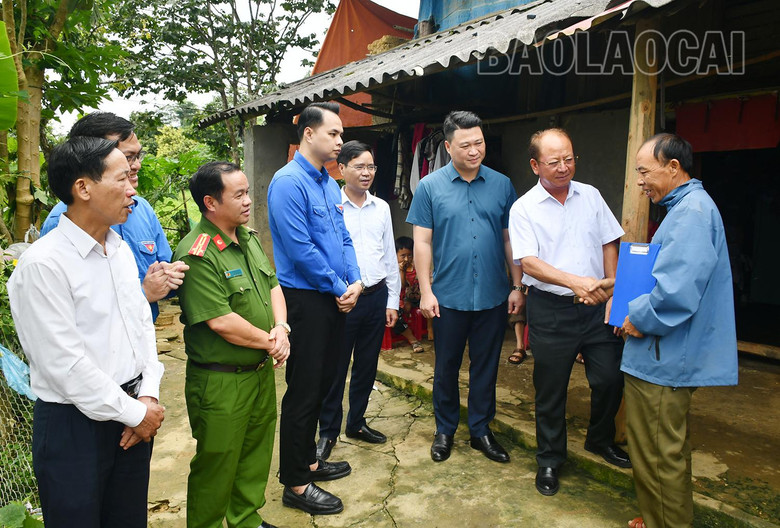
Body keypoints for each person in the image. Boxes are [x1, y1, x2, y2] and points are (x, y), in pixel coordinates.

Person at [8, 136, 165, 528]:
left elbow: (141, 325)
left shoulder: (120, 249)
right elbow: (65, 364)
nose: (133, 190)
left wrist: (148, 394)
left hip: (132, 414)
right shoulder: (44, 265)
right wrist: (135, 413)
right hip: (74, 427)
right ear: (83, 188)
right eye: (123, 179)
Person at [619, 133, 738, 528]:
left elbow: (674, 292)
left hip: (664, 357)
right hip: (665, 355)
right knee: (664, 448)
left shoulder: (690, 214)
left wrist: (635, 316)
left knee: (657, 451)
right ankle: (658, 517)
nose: (640, 181)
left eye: (643, 172)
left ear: (673, 168)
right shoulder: (687, 208)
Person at [508, 128, 628, 497]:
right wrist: (576, 283)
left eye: (569, 159)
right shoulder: (524, 208)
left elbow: (610, 239)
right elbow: (529, 263)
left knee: (609, 378)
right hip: (552, 309)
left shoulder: (590, 195)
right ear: (535, 165)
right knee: (551, 388)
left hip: (596, 307)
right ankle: (549, 458)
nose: (564, 167)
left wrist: (610, 288)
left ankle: (600, 439)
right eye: (554, 161)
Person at [173, 162, 289, 528]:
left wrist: (282, 327)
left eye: (246, 192)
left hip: (257, 373)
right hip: (221, 381)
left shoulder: (249, 238)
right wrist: (272, 342)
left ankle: (245, 519)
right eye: (238, 194)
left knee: (255, 454)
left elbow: (273, 285)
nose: (247, 200)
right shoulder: (197, 252)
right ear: (210, 202)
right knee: (217, 463)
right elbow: (220, 320)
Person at [406, 110, 523, 464]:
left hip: (492, 294)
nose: (474, 151)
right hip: (448, 296)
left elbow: (509, 239)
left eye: (479, 143)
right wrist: (426, 290)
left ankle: (481, 431)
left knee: (486, 366)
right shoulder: (429, 187)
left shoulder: (502, 184)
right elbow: (422, 243)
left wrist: (517, 285)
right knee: (446, 367)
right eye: (465, 145)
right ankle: (445, 430)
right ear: (447, 146)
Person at [268, 102, 361, 515]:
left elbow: (344, 237)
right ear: (308, 134)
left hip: (335, 297)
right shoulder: (288, 183)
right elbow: (299, 250)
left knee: (324, 383)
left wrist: (355, 282)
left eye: (341, 135)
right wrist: (340, 286)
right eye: (334, 134)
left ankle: (308, 461)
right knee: (304, 391)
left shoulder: (327, 181)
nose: (340, 141)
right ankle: (296, 484)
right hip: (306, 300)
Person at [40, 112, 188, 321]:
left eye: (138, 156)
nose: (135, 165)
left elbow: (163, 267)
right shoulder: (61, 225)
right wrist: (142, 294)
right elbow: (75, 315)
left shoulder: (142, 209)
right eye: (128, 157)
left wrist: (168, 275)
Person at [316, 141, 401, 461]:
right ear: (341, 169)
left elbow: (389, 255)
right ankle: (328, 432)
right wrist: (338, 290)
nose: (366, 173)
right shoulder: (330, 205)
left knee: (367, 365)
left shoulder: (382, 207)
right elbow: (323, 254)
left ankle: (357, 422)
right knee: (335, 369)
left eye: (371, 167)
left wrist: (392, 299)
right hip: (343, 299)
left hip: (376, 297)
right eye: (359, 167)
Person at [393, 236, 424, 353]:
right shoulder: (392, 269)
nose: (406, 259)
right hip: (395, 301)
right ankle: (413, 340)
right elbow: (401, 285)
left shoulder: (415, 268)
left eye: (410, 255)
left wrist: (408, 301)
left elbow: (413, 287)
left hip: (410, 299)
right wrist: (402, 271)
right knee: (395, 316)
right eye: (403, 256)